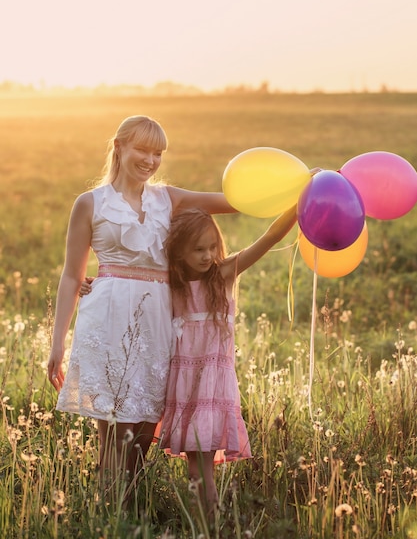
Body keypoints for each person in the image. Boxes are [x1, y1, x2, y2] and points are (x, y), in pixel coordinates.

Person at [47, 115, 236, 493]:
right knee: (113, 423)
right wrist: (57, 344)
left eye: (158, 153)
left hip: (157, 319)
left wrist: (295, 192)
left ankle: (125, 501)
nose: (150, 160)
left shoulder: (168, 198)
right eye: (143, 150)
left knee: (147, 422)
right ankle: (113, 508)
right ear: (119, 147)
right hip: (107, 316)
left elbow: (232, 202)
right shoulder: (90, 203)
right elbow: (71, 275)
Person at [158, 204, 297, 516]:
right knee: (197, 469)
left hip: (213, 389)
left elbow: (270, 237)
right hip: (185, 390)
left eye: (212, 247)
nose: (208, 255)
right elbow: (130, 282)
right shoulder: (170, 285)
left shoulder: (223, 275)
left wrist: (299, 205)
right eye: (198, 250)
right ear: (178, 252)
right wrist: (94, 284)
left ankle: (210, 528)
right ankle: (208, 527)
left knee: (201, 469)